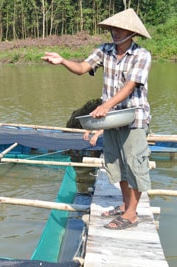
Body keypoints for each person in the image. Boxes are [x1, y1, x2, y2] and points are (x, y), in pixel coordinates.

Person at [42, 8, 152, 230]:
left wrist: (105, 105)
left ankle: (131, 214)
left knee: (134, 164)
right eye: (113, 28)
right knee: (117, 164)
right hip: (111, 120)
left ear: (132, 33)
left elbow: (130, 86)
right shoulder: (105, 50)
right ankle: (124, 204)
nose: (115, 32)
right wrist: (62, 61)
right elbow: (82, 68)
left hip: (133, 118)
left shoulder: (142, 55)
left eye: (121, 29)